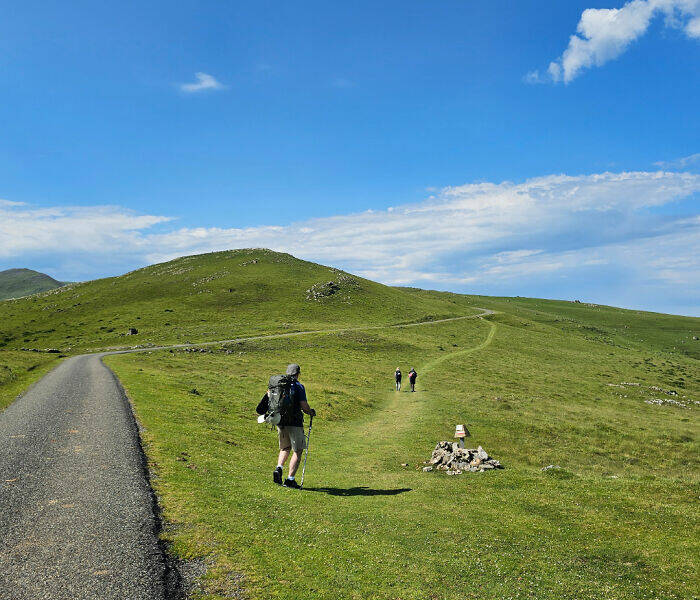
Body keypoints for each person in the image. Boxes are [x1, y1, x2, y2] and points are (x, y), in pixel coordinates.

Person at [272, 363, 315, 489]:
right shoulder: (298, 386)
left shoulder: (279, 384)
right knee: (298, 450)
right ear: (298, 374)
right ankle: (290, 480)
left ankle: (278, 469)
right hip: (295, 422)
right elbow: (304, 406)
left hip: (280, 420)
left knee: (285, 447)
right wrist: (310, 412)